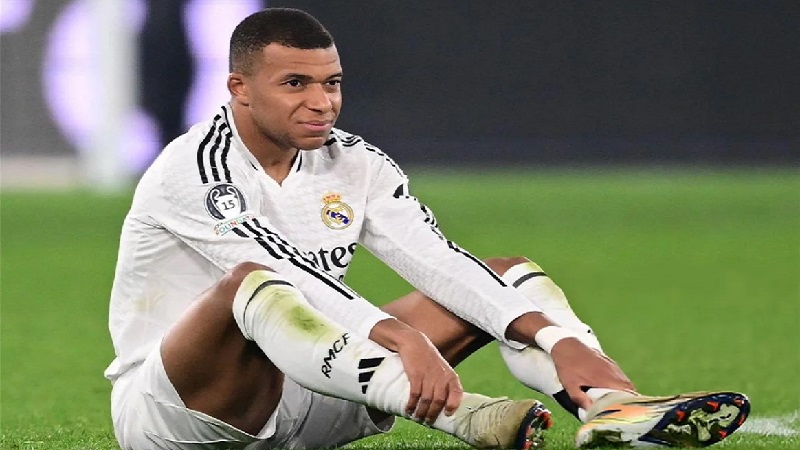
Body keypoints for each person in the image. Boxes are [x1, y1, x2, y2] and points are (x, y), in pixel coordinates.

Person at [105, 8, 750, 450]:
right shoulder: (195, 169)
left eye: (332, 83)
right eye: (295, 84)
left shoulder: (355, 162)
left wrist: (555, 338)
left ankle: (614, 409)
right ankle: (469, 417)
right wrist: (400, 337)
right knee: (255, 281)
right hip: (184, 416)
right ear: (239, 88)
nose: (322, 102)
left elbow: (435, 259)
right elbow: (290, 276)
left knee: (503, 277)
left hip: (318, 392)